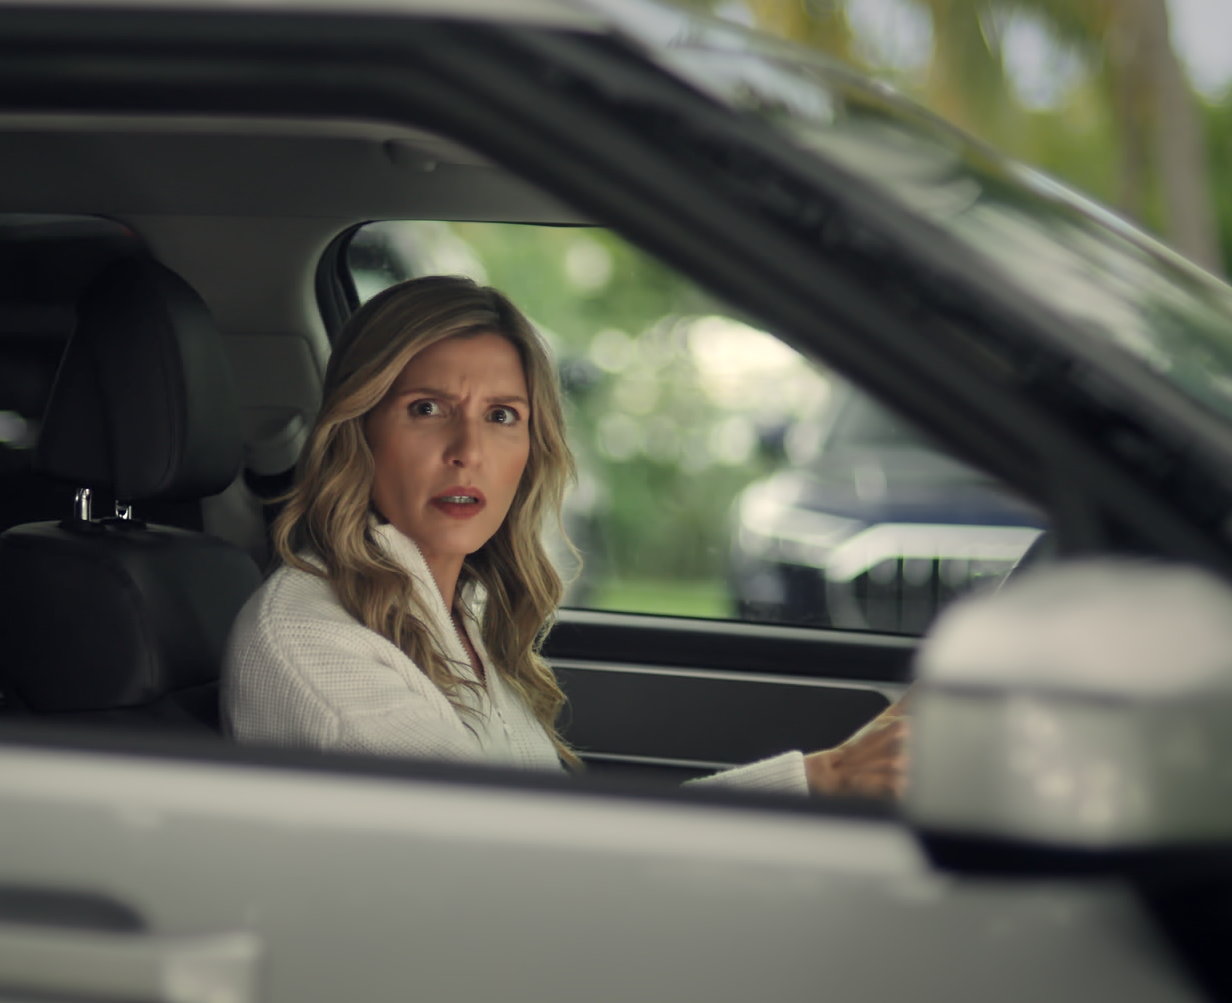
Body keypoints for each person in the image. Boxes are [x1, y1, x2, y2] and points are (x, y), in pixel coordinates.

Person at [222, 275, 906, 797]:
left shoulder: (462, 609)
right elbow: (520, 871)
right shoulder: (312, 643)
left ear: (531, 448)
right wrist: (824, 779)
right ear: (359, 431)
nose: (468, 450)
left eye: (502, 415)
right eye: (427, 408)